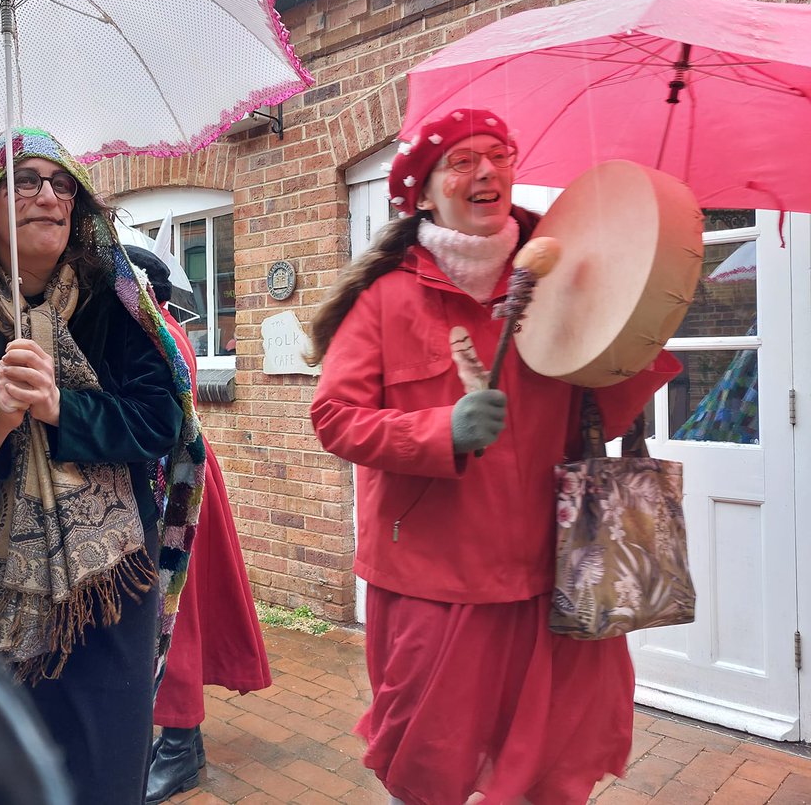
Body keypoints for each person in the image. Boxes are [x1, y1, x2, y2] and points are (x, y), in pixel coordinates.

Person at [308, 108, 681, 805]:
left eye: (500, 154)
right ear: (422, 193)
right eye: (461, 160)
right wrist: (440, 432)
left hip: (555, 572)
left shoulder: (565, 280)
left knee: (552, 768)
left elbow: (602, 407)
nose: (486, 171)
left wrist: (640, 305)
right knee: (426, 769)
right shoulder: (387, 301)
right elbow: (334, 418)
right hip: (432, 580)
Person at [0, 129, 204, 805]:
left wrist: (60, 408)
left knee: (107, 757)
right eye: (25, 180)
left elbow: (155, 425)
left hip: (112, 580)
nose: (47, 196)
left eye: (61, 184)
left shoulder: (119, 303)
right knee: (5, 756)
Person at [124, 246, 271, 805]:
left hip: (174, 488)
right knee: (173, 612)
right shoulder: (163, 326)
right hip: (177, 482)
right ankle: (177, 737)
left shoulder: (157, 330)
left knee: (174, 615)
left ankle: (181, 744)